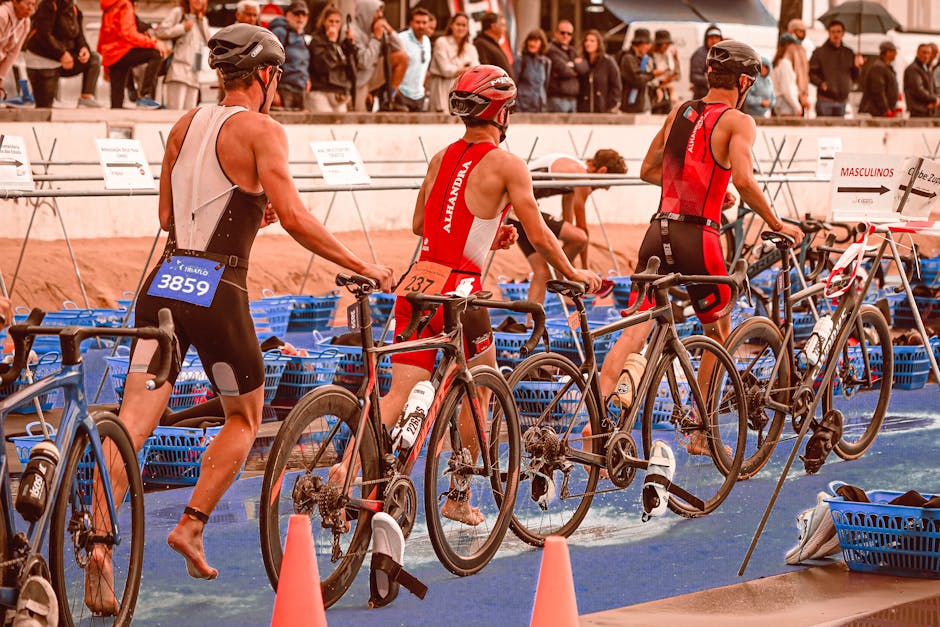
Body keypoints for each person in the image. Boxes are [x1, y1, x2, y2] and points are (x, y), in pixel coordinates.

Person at [84, 25, 393, 611]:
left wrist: (248, 205)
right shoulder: (262, 130)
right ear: (266, 76)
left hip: (163, 287)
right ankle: (191, 524)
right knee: (244, 417)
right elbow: (299, 219)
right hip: (217, 291)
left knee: (132, 422)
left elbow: (170, 216)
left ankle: (100, 542)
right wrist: (365, 265)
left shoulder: (183, 125)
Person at [329, 65, 600, 525]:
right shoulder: (508, 164)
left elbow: (422, 225)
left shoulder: (441, 157)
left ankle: (345, 468)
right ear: (502, 112)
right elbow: (538, 230)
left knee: (399, 393)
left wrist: (484, 232)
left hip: (419, 283)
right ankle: (457, 494)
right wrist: (574, 272)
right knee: (483, 388)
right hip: (459, 290)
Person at [591, 41, 801, 450]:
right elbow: (742, 180)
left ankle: (595, 426)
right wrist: (777, 223)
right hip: (698, 236)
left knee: (635, 327)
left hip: (659, 230)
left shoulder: (680, 111)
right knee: (718, 332)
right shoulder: (738, 121)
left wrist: (697, 187)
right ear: (743, 82)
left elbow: (648, 170)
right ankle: (700, 432)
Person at [506, 149, 627, 309]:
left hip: (512, 210)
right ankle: (562, 276)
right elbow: (582, 230)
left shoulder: (573, 175)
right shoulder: (582, 178)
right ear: (603, 171)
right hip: (518, 208)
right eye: (609, 182)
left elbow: (568, 219)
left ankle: (530, 326)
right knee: (580, 238)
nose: (608, 188)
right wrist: (585, 269)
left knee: (542, 272)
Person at [24, 0, 102, 108]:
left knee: (94, 59)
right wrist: (61, 54)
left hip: (65, 61)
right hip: (43, 62)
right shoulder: (48, 5)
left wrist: (84, 49)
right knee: (45, 108)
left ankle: (86, 98)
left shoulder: (74, 9)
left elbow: (79, 36)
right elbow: (43, 35)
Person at [98, 0, 169, 109]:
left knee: (116, 102)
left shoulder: (109, 6)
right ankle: (145, 95)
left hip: (111, 56)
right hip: (122, 51)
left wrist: (106, 64)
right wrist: (154, 43)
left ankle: (117, 120)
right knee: (155, 54)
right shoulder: (125, 4)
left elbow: (102, 38)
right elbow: (129, 34)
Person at [349, 0, 407, 112]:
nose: (380, 16)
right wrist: (376, 38)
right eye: (377, 12)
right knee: (360, 116)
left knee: (401, 57)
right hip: (357, 80)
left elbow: (400, 48)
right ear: (366, 12)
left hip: (372, 73)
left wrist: (389, 30)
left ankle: (389, 98)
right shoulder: (352, 31)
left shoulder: (375, 28)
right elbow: (363, 62)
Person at [155, 0, 210, 111]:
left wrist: (201, 22)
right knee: (174, 113)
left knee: (189, 117)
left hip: (194, 73)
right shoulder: (178, 13)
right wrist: (182, 28)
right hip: (177, 71)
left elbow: (209, 42)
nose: (199, 1)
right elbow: (160, 32)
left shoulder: (202, 20)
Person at [307, 3, 355, 113]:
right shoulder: (316, 41)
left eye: (337, 22)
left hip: (339, 92)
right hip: (321, 90)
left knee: (340, 127)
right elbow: (322, 66)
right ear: (324, 22)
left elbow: (352, 69)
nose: (334, 25)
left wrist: (350, 46)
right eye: (331, 21)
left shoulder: (341, 44)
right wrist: (331, 43)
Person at [809, 19, 862, 118]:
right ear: (828, 33)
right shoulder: (819, 52)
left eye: (838, 31)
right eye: (833, 32)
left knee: (839, 131)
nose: (836, 35)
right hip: (825, 100)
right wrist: (820, 83)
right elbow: (811, 73)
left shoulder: (849, 53)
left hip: (842, 101)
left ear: (843, 33)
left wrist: (857, 66)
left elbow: (855, 77)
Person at [427, 11, 477, 113]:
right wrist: (467, 69)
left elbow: (477, 70)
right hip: (441, 88)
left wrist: (463, 70)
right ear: (451, 26)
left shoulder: (471, 48)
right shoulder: (442, 42)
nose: (461, 28)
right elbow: (446, 69)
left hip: (462, 92)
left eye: (464, 25)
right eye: (458, 24)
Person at [268, 0, 309, 110]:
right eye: (296, 14)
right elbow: (268, 64)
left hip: (300, 90)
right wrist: (272, 92)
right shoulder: (279, 32)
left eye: (304, 14)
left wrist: (307, 79)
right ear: (287, 15)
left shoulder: (302, 36)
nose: (300, 18)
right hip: (283, 89)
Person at [545, 20, 585, 113]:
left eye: (569, 33)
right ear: (556, 33)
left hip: (573, 99)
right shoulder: (550, 49)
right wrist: (575, 69)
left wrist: (572, 65)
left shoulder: (573, 51)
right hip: (557, 99)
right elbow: (563, 70)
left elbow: (584, 67)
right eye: (562, 32)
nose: (565, 35)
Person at [395, 7, 431, 111]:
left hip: (419, 96)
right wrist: (395, 91)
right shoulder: (401, 38)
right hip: (401, 95)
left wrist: (423, 90)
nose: (421, 26)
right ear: (411, 23)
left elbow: (425, 68)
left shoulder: (427, 41)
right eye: (418, 22)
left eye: (424, 22)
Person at [577, 29, 619, 113]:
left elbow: (616, 85)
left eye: (592, 41)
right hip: (584, 109)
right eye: (586, 40)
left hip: (602, 109)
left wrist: (610, 104)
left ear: (598, 43)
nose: (588, 43)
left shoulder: (608, 62)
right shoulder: (582, 62)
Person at [0, 0, 36, 100]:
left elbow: (13, 53)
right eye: (28, 3)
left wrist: (1, 77)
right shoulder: (2, 15)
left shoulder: (26, 22)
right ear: (15, 2)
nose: (30, 8)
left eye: (33, 4)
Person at [514, 28, 549, 113]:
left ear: (542, 43)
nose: (532, 43)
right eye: (531, 40)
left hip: (539, 107)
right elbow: (513, 83)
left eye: (536, 41)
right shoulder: (520, 60)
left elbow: (545, 85)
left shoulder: (545, 62)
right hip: (522, 107)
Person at [859, 40, 898, 118]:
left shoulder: (886, 67)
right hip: (877, 112)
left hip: (883, 111)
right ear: (887, 52)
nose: (896, 54)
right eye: (894, 52)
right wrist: (885, 109)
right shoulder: (878, 67)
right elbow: (878, 91)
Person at [620, 27, 653, 113]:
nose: (649, 47)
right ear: (640, 44)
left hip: (641, 102)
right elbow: (637, 79)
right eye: (647, 44)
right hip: (630, 105)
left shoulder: (643, 59)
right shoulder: (628, 58)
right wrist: (652, 75)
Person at [904, 43, 940, 118]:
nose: (926, 56)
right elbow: (917, 89)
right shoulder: (913, 69)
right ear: (917, 53)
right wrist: (934, 99)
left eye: (928, 53)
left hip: (928, 110)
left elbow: (933, 89)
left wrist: (936, 99)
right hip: (918, 111)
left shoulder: (926, 69)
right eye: (924, 52)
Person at [783, 18, 811, 115]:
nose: (803, 34)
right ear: (792, 31)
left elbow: (805, 74)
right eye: (800, 31)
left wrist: (805, 94)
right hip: (793, 96)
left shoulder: (802, 49)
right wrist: (800, 94)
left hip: (802, 96)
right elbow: (794, 74)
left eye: (804, 31)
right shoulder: (790, 49)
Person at [473, 12, 512, 79]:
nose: (505, 29)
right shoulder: (480, 44)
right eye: (502, 25)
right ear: (493, 26)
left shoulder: (492, 44)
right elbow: (485, 70)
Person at [649, 29, 680, 114]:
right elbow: (648, 76)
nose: (667, 46)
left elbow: (677, 75)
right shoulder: (650, 57)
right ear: (658, 44)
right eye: (665, 44)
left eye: (668, 44)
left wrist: (677, 60)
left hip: (667, 93)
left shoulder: (669, 55)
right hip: (654, 93)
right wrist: (661, 84)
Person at [772, 33, 801, 117]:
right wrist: (797, 106)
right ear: (788, 46)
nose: (796, 49)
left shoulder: (777, 62)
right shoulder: (785, 64)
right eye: (794, 45)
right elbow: (787, 89)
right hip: (786, 103)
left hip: (779, 102)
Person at [690, 24, 721, 100]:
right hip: (702, 96)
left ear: (720, 39)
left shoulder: (722, 54)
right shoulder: (699, 54)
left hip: (718, 96)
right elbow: (694, 76)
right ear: (706, 39)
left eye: (716, 38)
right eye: (711, 38)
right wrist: (710, 80)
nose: (714, 41)